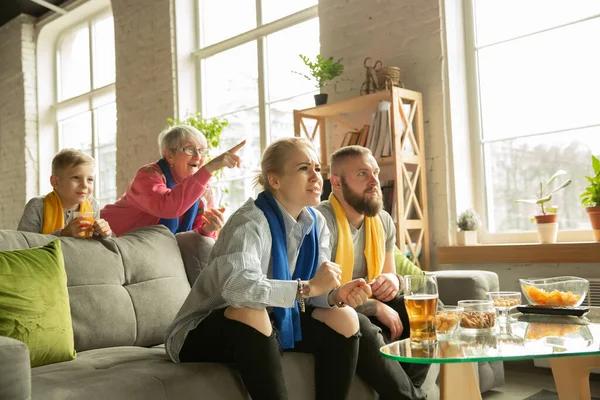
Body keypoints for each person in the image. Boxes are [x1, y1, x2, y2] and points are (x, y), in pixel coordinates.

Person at [165, 137, 372, 399]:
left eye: (317, 169)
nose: (316, 177)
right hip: (201, 330)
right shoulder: (249, 222)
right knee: (253, 311)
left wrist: (334, 295)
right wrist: (308, 287)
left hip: (274, 320)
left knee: (345, 317)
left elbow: (311, 293)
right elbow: (240, 290)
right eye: (303, 169)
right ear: (274, 180)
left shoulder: (316, 222)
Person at [316, 145, 429, 396]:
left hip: (367, 303)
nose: (374, 181)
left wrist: (394, 281)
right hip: (335, 309)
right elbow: (322, 296)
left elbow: (386, 284)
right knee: (362, 325)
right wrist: (374, 307)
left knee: (429, 310)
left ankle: (409, 391)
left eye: (375, 173)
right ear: (336, 182)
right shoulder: (320, 221)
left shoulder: (382, 220)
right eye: (362, 174)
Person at [101, 125, 245, 237]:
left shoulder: (203, 189)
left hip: (151, 249)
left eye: (202, 151)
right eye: (189, 149)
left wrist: (209, 228)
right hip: (105, 236)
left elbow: (195, 237)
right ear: (170, 155)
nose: (198, 156)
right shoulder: (149, 174)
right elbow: (168, 207)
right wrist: (210, 167)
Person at [17, 148, 112, 238]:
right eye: (76, 177)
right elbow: (24, 245)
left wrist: (104, 234)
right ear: (55, 182)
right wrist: (62, 234)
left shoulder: (92, 205)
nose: (85, 185)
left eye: (90, 179)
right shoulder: (37, 206)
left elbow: (95, 245)